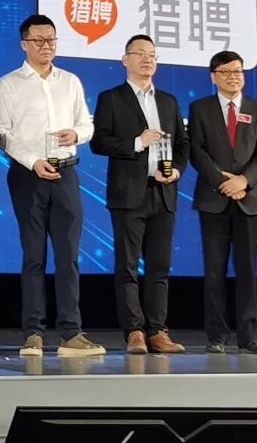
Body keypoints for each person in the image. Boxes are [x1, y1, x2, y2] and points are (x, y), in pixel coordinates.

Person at [0, 14, 103, 358]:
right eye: (39, 40)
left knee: (68, 256)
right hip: (28, 175)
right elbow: (2, 133)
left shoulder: (70, 81)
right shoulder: (8, 84)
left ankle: (71, 332)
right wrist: (32, 161)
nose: (46, 46)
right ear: (24, 44)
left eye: (51, 40)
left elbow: (87, 123)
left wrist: (76, 134)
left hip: (66, 173)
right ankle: (33, 333)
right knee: (33, 255)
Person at [90, 34, 188, 355]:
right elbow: (99, 142)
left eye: (152, 55)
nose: (148, 59)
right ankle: (134, 330)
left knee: (160, 267)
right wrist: (137, 142)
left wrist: (176, 171)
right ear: (125, 60)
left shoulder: (168, 101)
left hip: (164, 192)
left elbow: (183, 144)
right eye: (141, 53)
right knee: (128, 266)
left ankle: (157, 330)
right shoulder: (111, 98)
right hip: (128, 193)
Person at [189, 50, 257, 355]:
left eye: (237, 71)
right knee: (214, 271)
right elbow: (197, 151)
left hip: (250, 200)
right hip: (214, 199)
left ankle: (249, 337)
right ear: (213, 77)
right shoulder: (200, 108)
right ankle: (216, 336)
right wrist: (223, 182)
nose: (233, 77)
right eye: (225, 72)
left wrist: (244, 181)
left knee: (247, 270)